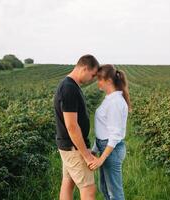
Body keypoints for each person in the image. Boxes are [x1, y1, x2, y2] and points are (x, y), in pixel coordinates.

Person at [53, 54, 99, 200]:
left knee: (68, 183)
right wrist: (86, 155)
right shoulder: (69, 88)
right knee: (88, 189)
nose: (93, 79)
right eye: (92, 75)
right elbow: (72, 126)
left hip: (68, 146)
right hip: (73, 148)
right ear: (84, 68)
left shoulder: (69, 85)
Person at [89, 64, 131, 200]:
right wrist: (95, 149)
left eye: (100, 79)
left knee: (115, 193)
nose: (98, 83)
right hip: (105, 147)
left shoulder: (116, 102)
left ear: (109, 81)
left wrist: (102, 158)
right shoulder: (110, 99)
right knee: (105, 189)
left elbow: (114, 135)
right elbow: (103, 129)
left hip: (111, 149)